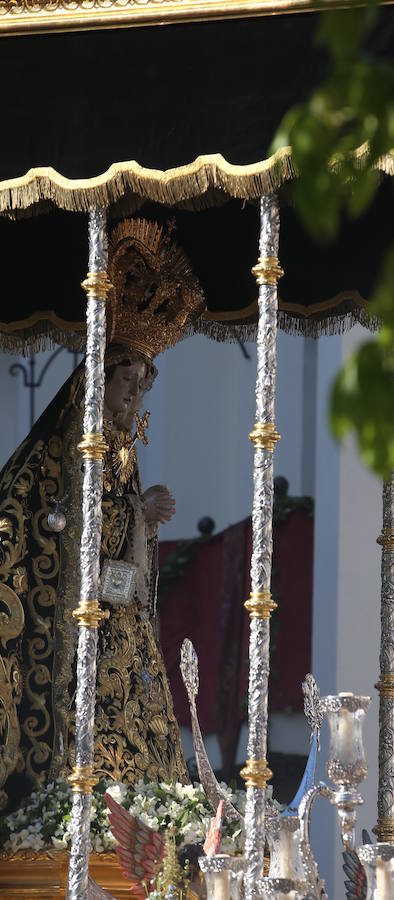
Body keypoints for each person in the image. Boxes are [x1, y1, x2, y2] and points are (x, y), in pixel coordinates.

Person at [0, 218, 205, 812]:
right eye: (127, 378)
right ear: (99, 375)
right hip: (77, 627)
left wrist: (139, 523)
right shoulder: (71, 443)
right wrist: (131, 513)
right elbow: (52, 517)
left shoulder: (122, 450)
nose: (136, 392)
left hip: (120, 630)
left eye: (144, 382)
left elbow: (125, 564)